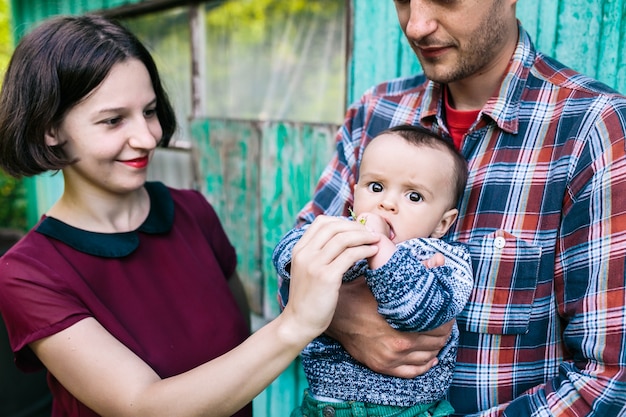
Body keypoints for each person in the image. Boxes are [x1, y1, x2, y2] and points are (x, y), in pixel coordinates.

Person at [0, 14, 383, 417]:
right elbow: (144, 407)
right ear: (49, 129)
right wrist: (297, 323)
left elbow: (238, 353)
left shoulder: (191, 211)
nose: (148, 138)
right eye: (113, 120)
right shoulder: (27, 273)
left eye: (149, 111)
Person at [274, 0, 626, 416]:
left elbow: (607, 379)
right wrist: (344, 321)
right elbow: (294, 269)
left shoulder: (592, 129)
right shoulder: (375, 112)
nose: (417, 25)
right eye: (404, 0)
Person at [273, 124, 473, 416]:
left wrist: (382, 249)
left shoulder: (443, 259)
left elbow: (416, 312)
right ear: (355, 196)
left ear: (442, 223)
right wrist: (306, 255)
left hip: (408, 410)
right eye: (376, 187)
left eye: (414, 196)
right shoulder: (342, 233)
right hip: (322, 406)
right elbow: (288, 255)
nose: (387, 203)